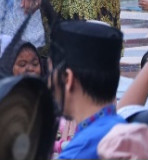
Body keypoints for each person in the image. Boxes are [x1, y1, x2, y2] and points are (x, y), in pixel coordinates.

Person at [48, 20, 125, 159]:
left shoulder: (77, 153)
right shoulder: (125, 129)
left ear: (67, 79)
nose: (49, 84)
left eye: (50, 74)